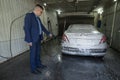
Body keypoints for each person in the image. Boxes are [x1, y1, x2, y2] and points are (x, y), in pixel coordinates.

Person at [24, 4, 52, 74]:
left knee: (38, 53)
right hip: (32, 39)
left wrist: (48, 33)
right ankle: (33, 69)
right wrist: (29, 40)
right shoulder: (29, 16)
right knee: (33, 54)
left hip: (38, 38)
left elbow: (42, 27)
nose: (41, 13)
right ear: (37, 10)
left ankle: (38, 64)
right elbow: (26, 28)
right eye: (41, 12)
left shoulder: (38, 18)